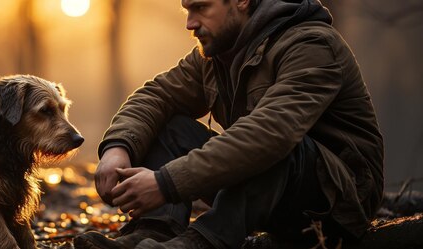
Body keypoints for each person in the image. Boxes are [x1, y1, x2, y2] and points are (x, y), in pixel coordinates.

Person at [74, 0, 384, 248]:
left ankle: (203, 241)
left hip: (335, 206)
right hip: (264, 191)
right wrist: (117, 148)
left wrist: (165, 183)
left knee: (273, 142)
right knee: (169, 126)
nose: (190, 23)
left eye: (201, 7)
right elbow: (156, 97)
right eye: (187, 9)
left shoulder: (312, 46)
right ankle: (154, 232)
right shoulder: (217, 53)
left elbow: (270, 133)